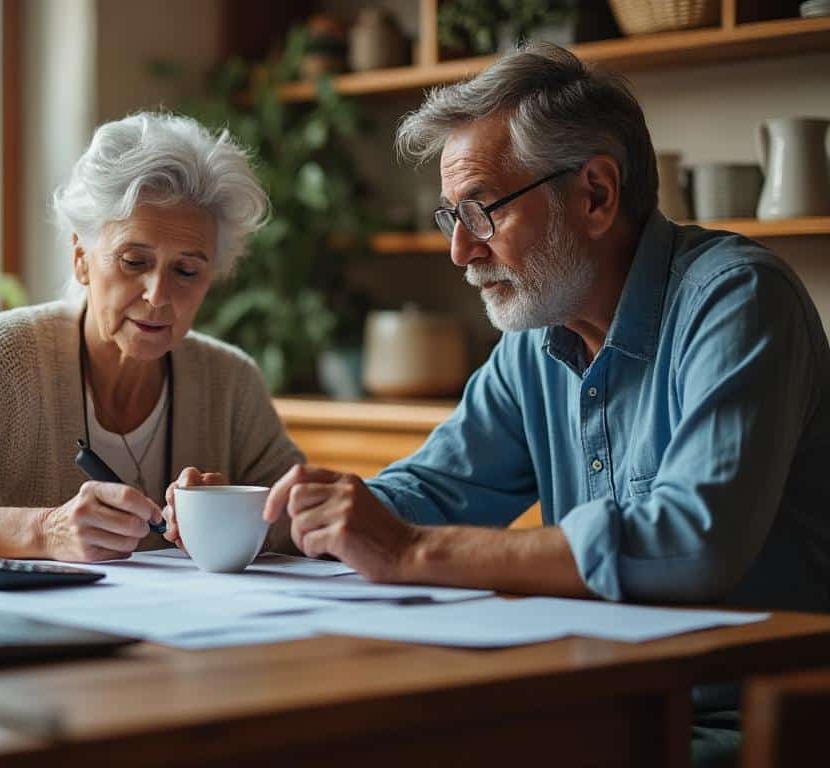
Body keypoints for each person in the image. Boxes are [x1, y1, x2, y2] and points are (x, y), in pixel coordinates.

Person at [166, 43, 830, 766]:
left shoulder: (738, 300)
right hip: (602, 701)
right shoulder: (537, 339)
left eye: (480, 211)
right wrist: (269, 520)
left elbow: (692, 540)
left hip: (756, 722)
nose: (459, 250)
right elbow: (429, 492)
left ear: (596, 196)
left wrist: (411, 551)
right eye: (450, 215)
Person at [0, 112, 303, 566]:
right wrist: (44, 530)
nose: (159, 295)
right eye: (133, 261)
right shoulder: (7, 356)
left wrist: (236, 512)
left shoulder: (229, 380)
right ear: (81, 257)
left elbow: (301, 519)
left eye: (186, 270)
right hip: (17, 641)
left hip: (180, 644)